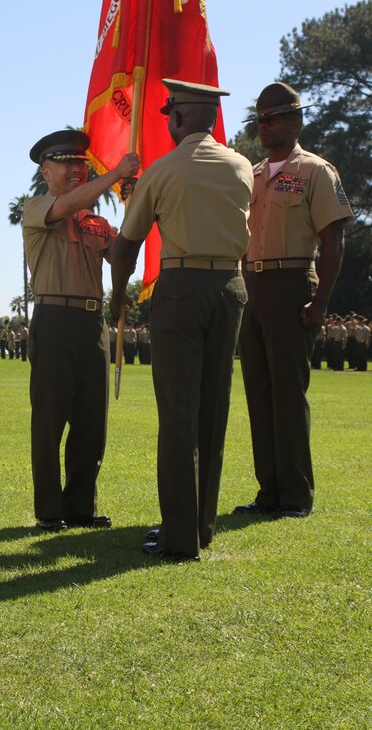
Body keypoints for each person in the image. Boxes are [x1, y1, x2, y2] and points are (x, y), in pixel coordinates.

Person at [111, 80, 253, 561]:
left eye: (170, 113)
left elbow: (125, 245)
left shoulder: (163, 170)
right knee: (214, 410)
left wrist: (117, 297)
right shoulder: (241, 167)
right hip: (230, 289)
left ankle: (178, 537)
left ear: (180, 118)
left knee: (178, 414)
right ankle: (203, 526)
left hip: (181, 290)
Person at [234, 82, 352, 519]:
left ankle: (296, 495)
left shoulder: (317, 171)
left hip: (291, 282)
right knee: (258, 394)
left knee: (287, 393)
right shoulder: (253, 173)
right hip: (253, 286)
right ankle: (269, 491)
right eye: (260, 119)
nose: (265, 126)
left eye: (275, 117)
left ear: (297, 121)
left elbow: (334, 240)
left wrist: (321, 302)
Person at [24, 128, 139, 531]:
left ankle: (80, 507)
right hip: (54, 319)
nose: (75, 169)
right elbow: (68, 204)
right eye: (65, 162)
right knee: (50, 419)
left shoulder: (97, 222)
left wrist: (136, 204)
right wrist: (115, 174)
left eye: (80, 163)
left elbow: (122, 256)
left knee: (92, 421)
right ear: (45, 171)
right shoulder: (37, 208)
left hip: (93, 322)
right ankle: (50, 511)